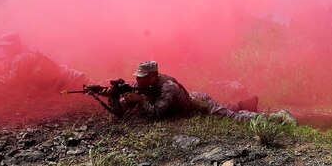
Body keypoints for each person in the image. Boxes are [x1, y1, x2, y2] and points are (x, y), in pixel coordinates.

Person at [97, 61, 295, 123]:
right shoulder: (143, 84)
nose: (137, 80)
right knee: (228, 110)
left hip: (197, 104)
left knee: (232, 118)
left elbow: (157, 113)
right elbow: (120, 114)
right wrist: (112, 94)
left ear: (153, 76)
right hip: (186, 102)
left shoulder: (169, 87)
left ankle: (279, 117)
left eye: (142, 77)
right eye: (137, 76)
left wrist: (140, 101)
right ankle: (246, 103)